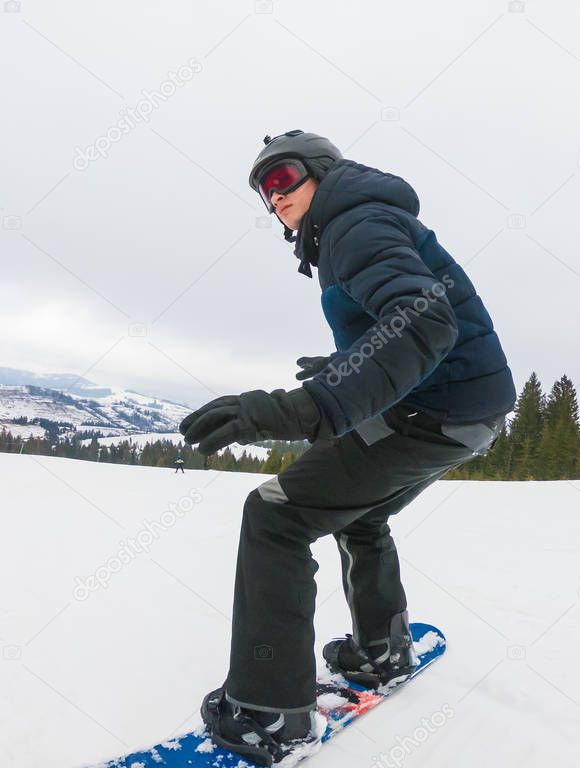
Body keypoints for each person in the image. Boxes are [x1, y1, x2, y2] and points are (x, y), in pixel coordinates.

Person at [179, 129, 516, 765]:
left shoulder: (354, 222)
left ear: (320, 171)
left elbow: (421, 320)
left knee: (276, 514)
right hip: (464, 409)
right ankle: (382, 649)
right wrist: (342, 363)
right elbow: (401, 325)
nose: (273, 197)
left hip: (430, 413)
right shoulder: (357, 225)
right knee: (360, 511)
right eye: (262, 191)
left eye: (280, 178)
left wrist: (308, 405)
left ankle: (269, 714)